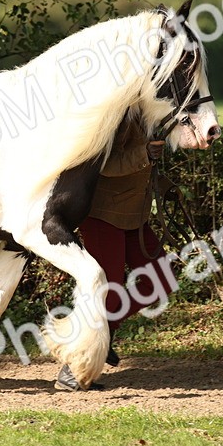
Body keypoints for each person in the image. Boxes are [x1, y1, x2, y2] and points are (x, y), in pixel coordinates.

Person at [54, 113, 178, 391]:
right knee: (107, 292)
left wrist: (165, 185)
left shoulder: (148, 115)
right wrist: (144, 153)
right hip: (103, 215)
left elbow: (141, 170)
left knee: (161, 280)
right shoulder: (118, 115)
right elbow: (103, 164)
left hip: (134, 216)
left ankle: (103, 334)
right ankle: (72, 369)